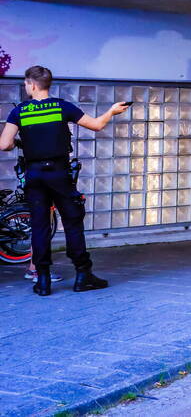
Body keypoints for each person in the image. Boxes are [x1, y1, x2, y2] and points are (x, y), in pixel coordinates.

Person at [0, 66, 130, 296]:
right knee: (72, 221)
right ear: (48, 84)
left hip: (34, 175)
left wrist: (14, 143)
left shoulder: (20, 111)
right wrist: (111, 111)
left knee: (39, 225)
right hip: (59, 173)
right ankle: (83, 274)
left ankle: (42, 281)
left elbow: (4, 144)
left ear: (31, 84)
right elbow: (97, 125)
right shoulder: (62, 106)